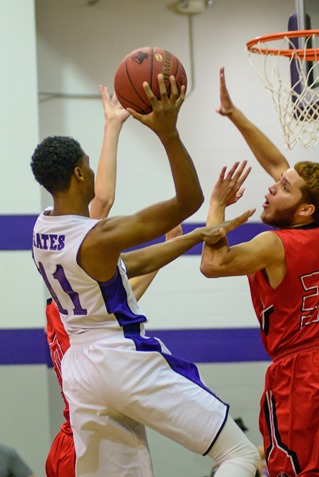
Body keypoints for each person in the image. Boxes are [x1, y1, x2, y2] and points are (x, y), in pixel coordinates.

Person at [31, 73, 259, 477]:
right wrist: (169, 133)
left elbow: (125, 266)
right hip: (120, 357)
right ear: (80, 175)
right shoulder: (100, 236)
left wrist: (192, 240)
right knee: (240, 455)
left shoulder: (41, 231)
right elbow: (187, 199)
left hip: (81, 375)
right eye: (87, 166)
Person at [200, 67, 319, 477]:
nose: (271, 187)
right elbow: (277, 162)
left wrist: (216, 204)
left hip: (303, 370)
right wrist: (234, 114)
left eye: (282, 188)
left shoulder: (273, 245)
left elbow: (212, 264)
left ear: (303, 209)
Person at [44, 84, 183, 477]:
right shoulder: (80, 321)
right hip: (91, 446)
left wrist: (164, 255)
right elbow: (100, 204)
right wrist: (112, 126)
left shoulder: (60, 311)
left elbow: (121, 290)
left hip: (68, 442)